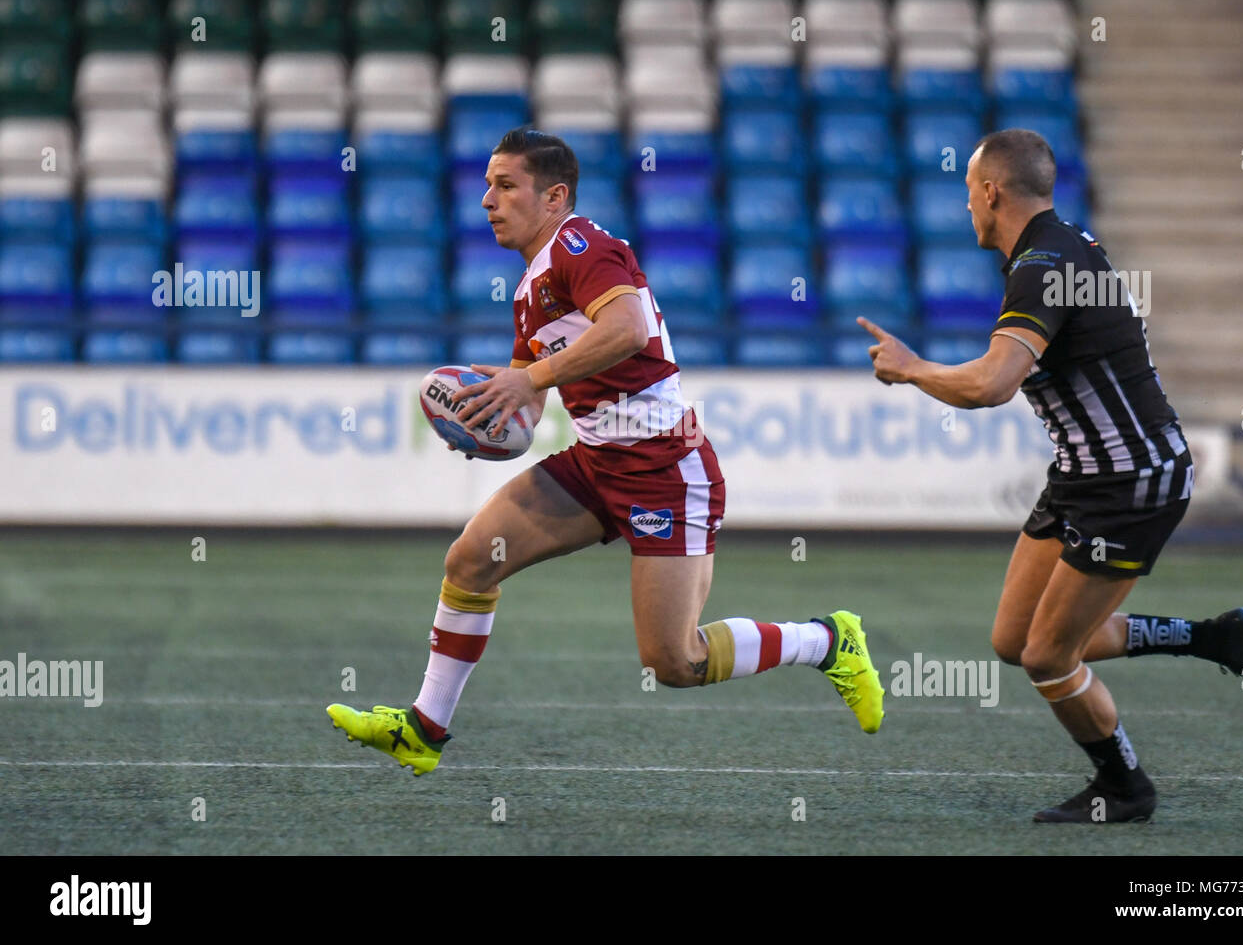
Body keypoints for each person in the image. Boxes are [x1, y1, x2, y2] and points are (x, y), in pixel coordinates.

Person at [327, 127, 884, 774]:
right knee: (471, 560)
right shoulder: (527, 291)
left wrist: (528, 378)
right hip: (593, 464)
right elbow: (528, 412)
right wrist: (486, 412)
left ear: (555, 195)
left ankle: (827, 640)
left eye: (505, 185)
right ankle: (423, 729)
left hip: (663, 469)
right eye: (486, 185)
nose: (487, 200)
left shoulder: (579, 245)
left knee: (675, 663)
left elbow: (627, 328)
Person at [860, 128, 1243, 823]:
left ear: (992, 191)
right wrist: (923, 371)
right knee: (1015, 639)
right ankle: (1216, 638)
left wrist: (912, 370)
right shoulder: (1060, 247)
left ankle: (1125, 788)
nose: (966, 205)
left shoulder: (1043, 262)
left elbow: (995, 385)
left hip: (1131, 482)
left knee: (1047, 656)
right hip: (1084, 475)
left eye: (969, 190)